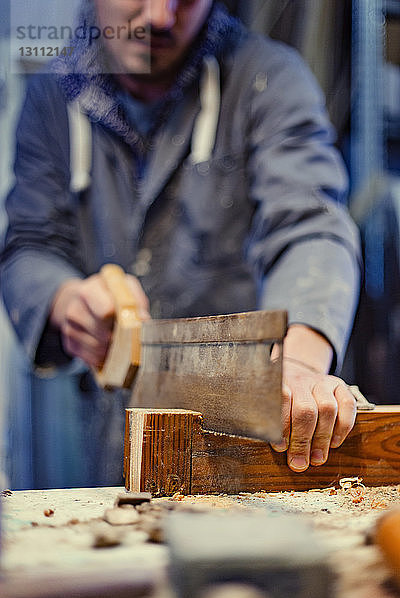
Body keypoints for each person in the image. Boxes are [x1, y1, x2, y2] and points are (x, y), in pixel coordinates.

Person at [0, 0, 361, 484]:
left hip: (251, 436)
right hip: (116, 426)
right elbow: (29, 244)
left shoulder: (267, 77)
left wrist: (297, 364)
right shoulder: (50, 96)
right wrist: (65, 301)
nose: (160, 18)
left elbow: (311, 226)